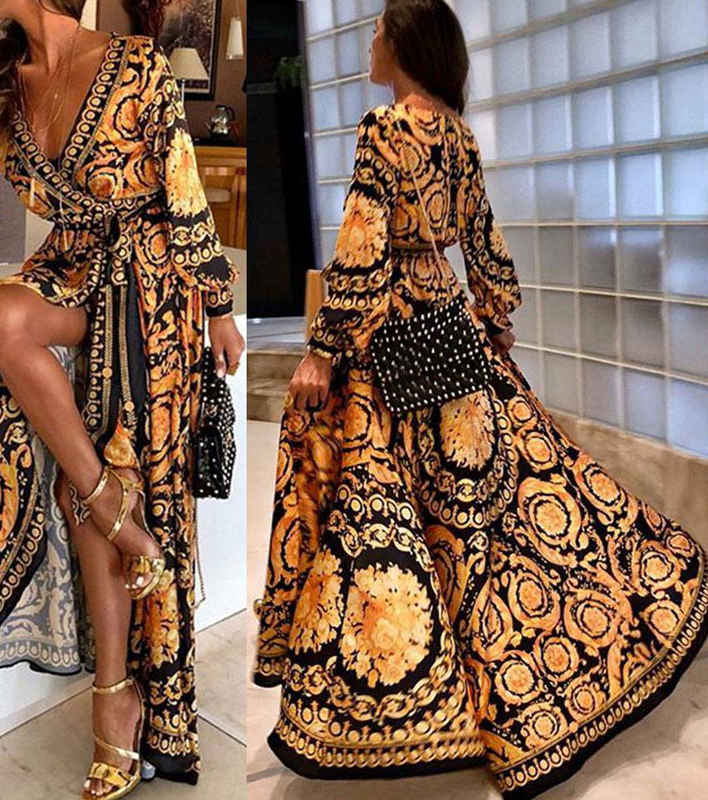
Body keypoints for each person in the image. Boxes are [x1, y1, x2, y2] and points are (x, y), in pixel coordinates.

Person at [252, 2, 708, 798]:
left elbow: (361, 242)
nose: (369, 42)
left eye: (378, 31)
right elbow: (482, 234)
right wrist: (494, 315)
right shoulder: (457, 133)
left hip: (391, 330)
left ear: (402, 44)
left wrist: (323, 350)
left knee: (391, 508)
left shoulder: (384, 127)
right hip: (450, 321)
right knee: (486, 507)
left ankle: (411, 702)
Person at [0, 2, 244, 798]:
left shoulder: (138, 64)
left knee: (96, 460)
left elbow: (183, 188)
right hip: (69, 272)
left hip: (152, 285)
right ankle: (117, 515)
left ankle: (115, 702)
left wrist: (220, 306)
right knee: (2, 317)